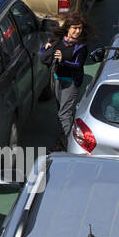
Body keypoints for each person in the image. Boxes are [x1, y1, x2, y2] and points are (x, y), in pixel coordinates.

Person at [41, 15, 90, 150]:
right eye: (74, 28)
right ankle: (65, 136)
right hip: (58, 79)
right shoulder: (58, 40)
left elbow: (78, 65)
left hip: (71, 83)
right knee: (62, 112)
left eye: (80, 28)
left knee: (64, 113)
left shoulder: (81, 47)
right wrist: (46, 49)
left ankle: (65, 145)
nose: (77, 31)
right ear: (68, 28)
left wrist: (63, 61)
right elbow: (43, 57)